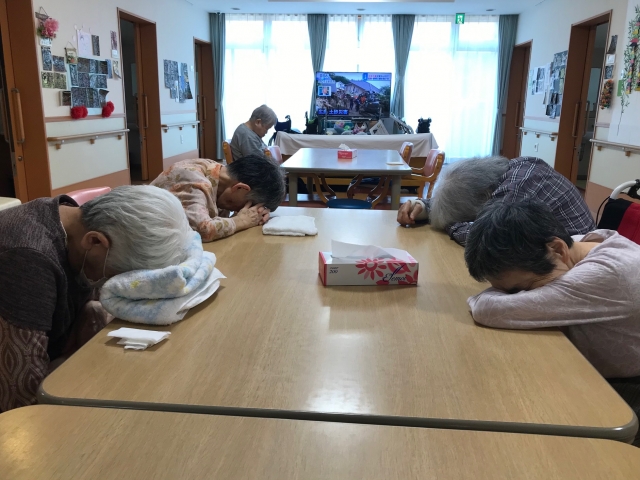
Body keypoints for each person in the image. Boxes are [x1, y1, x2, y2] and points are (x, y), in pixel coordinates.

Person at [0, 185, 193, 412]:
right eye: (115, 277)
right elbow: (22, 402)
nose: (114, 285)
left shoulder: (73, 218)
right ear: (94, 241)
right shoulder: (26, 260)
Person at [464, 200, 640, 445]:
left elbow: (487, 309)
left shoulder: (606, 274)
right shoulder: (579, 245)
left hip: (629, 387)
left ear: (557, 249)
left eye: (523, 288)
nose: (520, 296)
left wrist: (496, 298)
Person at [397, 156, 595, 246]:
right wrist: (424, 206)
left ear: (485, 198)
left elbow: (483, 236)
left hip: (574, 266)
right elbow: (464, 197)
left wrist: (450, 223)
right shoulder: (511, 170)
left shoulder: (515, 191)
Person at [151, 155, 285, 242]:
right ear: (240, 188)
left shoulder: (219, 175)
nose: (245, 210)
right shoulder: (193, 178)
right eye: (248, 205)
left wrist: (256, 216)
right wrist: (241, 221)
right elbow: (203, 230)